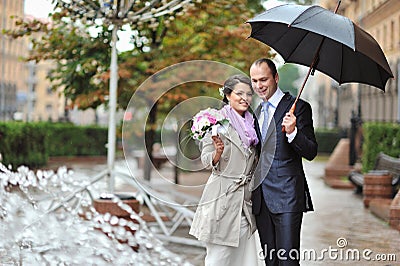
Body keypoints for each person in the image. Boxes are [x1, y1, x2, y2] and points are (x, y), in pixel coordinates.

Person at [189, 74, 264, 266]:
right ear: (228, 95)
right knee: (218, 260)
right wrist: (217, 152)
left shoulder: (254, 126)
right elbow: (206, 160)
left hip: (245, 205)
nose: (244, 98)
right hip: (222, 201)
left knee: (246, 261)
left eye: (248, 94)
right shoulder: (215, 122)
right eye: (239, 93)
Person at [249, 58, 318, 266]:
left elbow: (311, 151)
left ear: (276, 78)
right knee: (271, 262)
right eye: (254, 81)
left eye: (264, 79)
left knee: (288, 262)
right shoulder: (257, 112)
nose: (259, 85)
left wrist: (293, 132)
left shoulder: (299, 108)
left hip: (287, 196)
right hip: (262, 198)